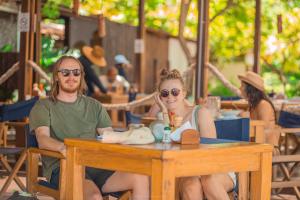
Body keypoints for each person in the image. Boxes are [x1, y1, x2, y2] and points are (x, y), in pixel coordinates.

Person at [29, 56, 149, 200]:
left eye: (76, 72)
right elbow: (43, 139)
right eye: (65, 73)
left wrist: (131, 137)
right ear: (56, 77)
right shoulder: (43, 106)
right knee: (94, 196)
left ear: (81, 76)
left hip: (98, 164)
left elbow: (109, 137)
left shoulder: (94, 106)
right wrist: (67, 150)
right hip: (65, 166)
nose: (71, 77)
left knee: (141, 178)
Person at [154, 68, 234, 200]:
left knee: (208, 182)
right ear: (160, 97)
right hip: (182, 171)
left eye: (175, 92)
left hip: (212, 168)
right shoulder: (163, 120)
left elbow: (211, 151)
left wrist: (197, 170)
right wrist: (163, 111)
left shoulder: (200, 113)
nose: (170, 97)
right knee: (191, 186)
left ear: (184, 93)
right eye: (165, 93)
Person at [238, 71, 280, 148]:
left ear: (250, 89)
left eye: (242, 86)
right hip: (257, 145)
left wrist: (246, 119)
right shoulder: (253, 105)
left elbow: (262, 128)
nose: (239, 88)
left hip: (267, 149)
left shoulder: (263, 104)